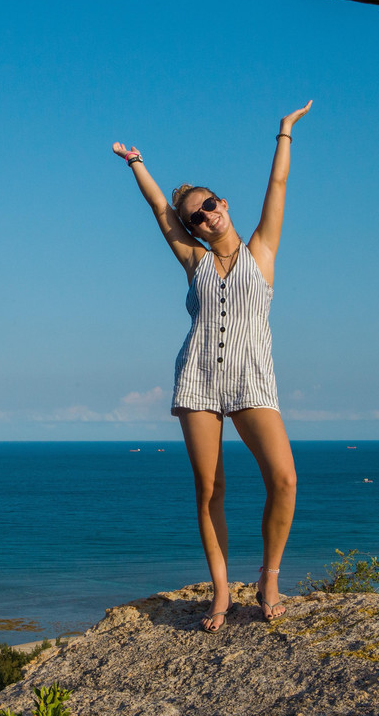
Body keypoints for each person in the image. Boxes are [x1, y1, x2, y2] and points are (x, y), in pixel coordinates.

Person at [112, 101, 312, 631]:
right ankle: (222, 591)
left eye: (208, 205)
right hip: (198, 380)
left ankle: (268, 577)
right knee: (210, 490)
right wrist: (137, 165)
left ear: (223, 203)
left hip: (252, 381)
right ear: (193, 228)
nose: (204, 216)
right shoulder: (194, 260)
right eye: (194, 217)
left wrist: (284, 133)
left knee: (285, 480)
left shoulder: (261, 252)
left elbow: (279, 189)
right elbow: (160, 211)